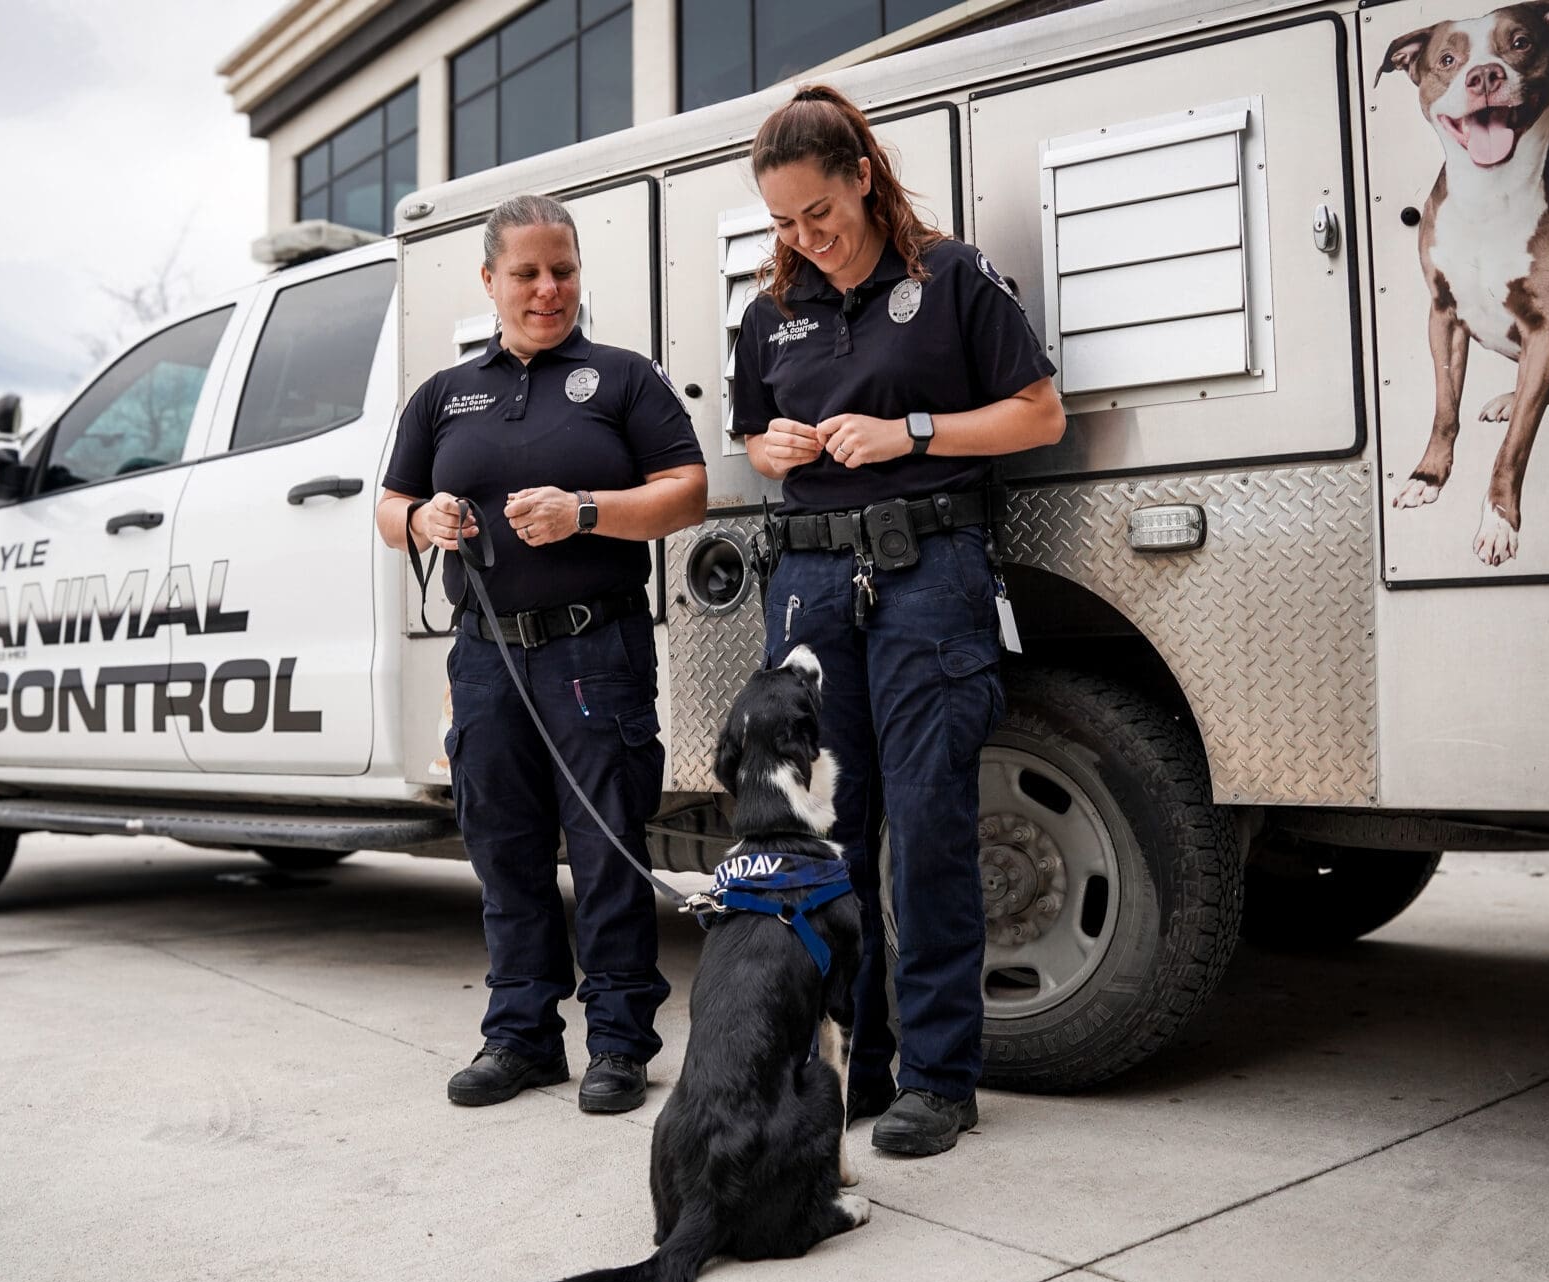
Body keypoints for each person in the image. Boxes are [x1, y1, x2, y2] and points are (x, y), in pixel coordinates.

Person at [731, 86, 1067, 1157]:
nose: (803, 239)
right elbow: (748, 435)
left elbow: (1038, 411)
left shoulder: (950, 277)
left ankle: (936, 1077)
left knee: (927, 827)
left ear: (861, 178)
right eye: (782, 222)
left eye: (816, 214)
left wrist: (907, 431)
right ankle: (859, 1064)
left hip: (926, 571)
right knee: (834, 833)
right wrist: (771, 452)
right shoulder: (766, 310)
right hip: (810, 585)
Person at [378, 194, 708, 1115]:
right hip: (484, 657)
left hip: (591, 648)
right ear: (489, 281)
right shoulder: (445, 395)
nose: (547, 288)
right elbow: (389, 505)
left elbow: (687, 493)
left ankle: (616, 1042)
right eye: (526, 273)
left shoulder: (619, 378)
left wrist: (586, 511)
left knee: (605, 847)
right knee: (504, 847)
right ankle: (521, 1036)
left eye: (561, 269)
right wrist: (421, 518)